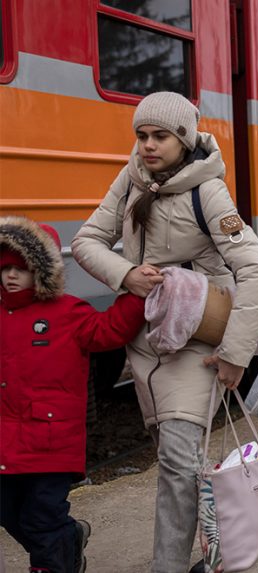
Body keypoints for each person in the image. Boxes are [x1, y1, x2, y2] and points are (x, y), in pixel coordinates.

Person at [72, 91, 258, 573]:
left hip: (196, 341)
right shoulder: (132, 177)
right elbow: (85, 241)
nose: (147, 145)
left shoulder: (209, 191)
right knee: (176, 461)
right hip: (145, 342)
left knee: (179, 463)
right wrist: (126, 275)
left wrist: (235, 354)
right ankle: (211, 547)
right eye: (141, 135)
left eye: (159, 136)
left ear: (183, 139)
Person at [1, 218, 146, 573]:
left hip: (51, 441)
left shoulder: (67, 312)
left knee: (42, 516)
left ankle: (53, 563)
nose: (10, 276)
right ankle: (70, 538)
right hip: (6, 441)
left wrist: (138, 293)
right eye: (4, 267)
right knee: (6, 511)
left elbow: (110, 329)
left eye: (21, 268)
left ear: (43, 270)